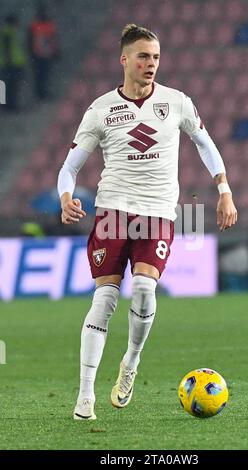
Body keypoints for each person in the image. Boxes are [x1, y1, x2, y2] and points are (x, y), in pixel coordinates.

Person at [57, 24, 238, 420]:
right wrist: (66, 195)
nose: (150, 63)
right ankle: (85, 394)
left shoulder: (176, 102)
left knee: (142, 290)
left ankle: (131, 363)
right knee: (104, 300)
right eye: (142, 56)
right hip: (112, 212)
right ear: (124, 60)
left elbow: (206, 145)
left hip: (157, 212)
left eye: (155, 56)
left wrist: (223, 189)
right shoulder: (101, 108)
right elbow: (69, 167)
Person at [28, 4, 59, 100]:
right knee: (39, 75)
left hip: (45, 54)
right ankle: (39, 93)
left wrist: (55, 51)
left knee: (44, 75)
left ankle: (42, 92)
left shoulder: (49, 25)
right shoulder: (35, 25)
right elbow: (30, 39)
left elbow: (54, 39)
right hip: (38, 54)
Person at [0, 14, 27, 110]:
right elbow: (7, 49)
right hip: (12, 64)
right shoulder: (8, 32)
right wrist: (9, 61)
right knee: (12, 85)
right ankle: (11, 105)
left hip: (13, 63)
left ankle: (8, 104)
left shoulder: (9, 31)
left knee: (10, 85)